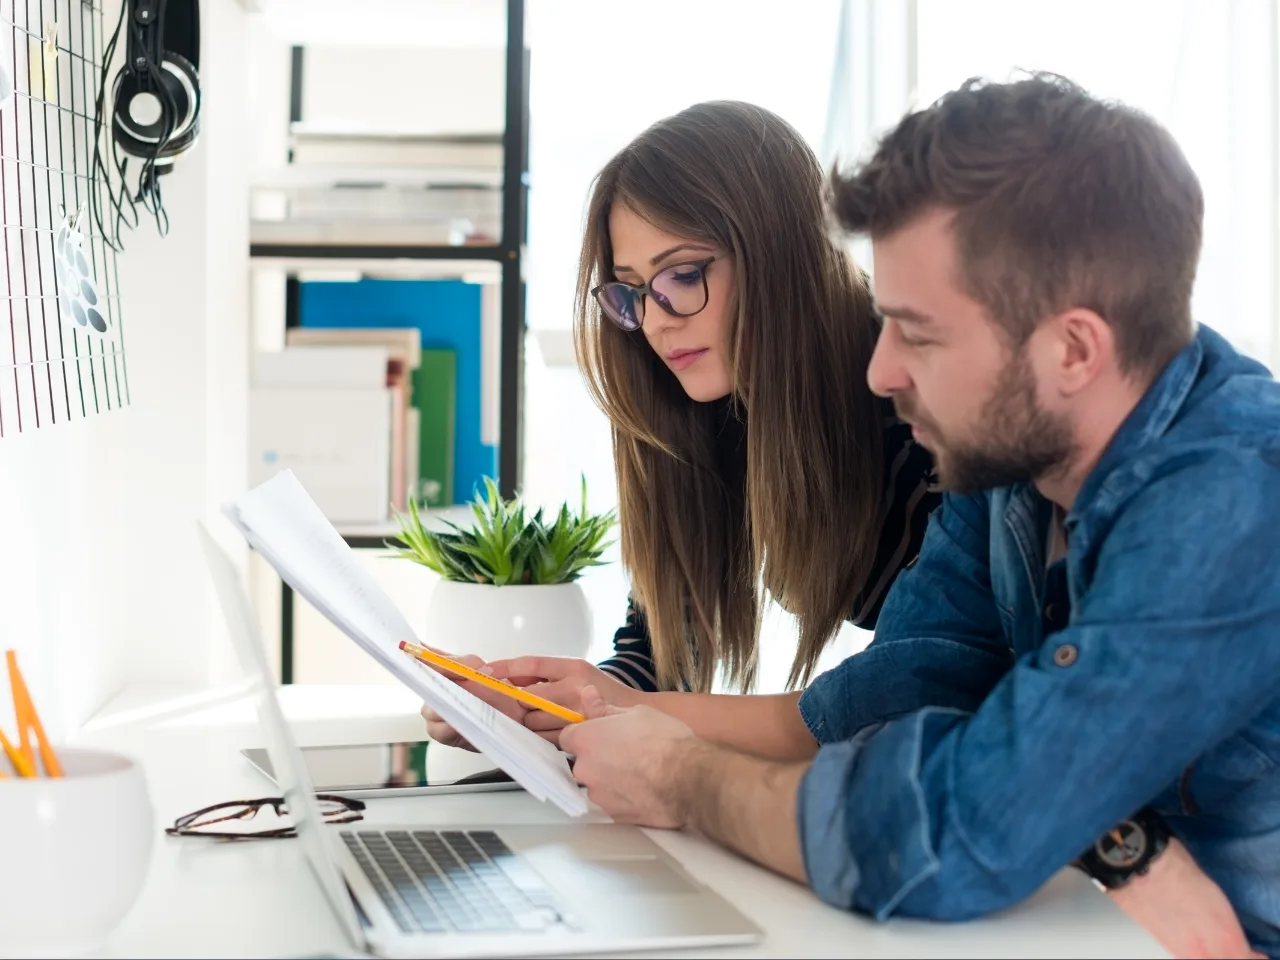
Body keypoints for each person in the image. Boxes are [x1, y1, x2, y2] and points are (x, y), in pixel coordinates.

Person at [514, 75, 1280, 959]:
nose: (878, 371)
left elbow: (947, 831)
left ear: (1074, 349)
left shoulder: (1232, 496)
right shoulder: (1006, 473)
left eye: (916, 333)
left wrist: (682, 777)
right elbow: (902, 705)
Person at [423, 100, 938, 750]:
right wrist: (535, 708)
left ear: (781, 252)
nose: (657, 319)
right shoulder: (712, 412)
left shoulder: (923, 407)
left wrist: (608, 709)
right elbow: (655, 664)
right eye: (633, 290)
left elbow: (905, 700)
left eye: (684, 275)